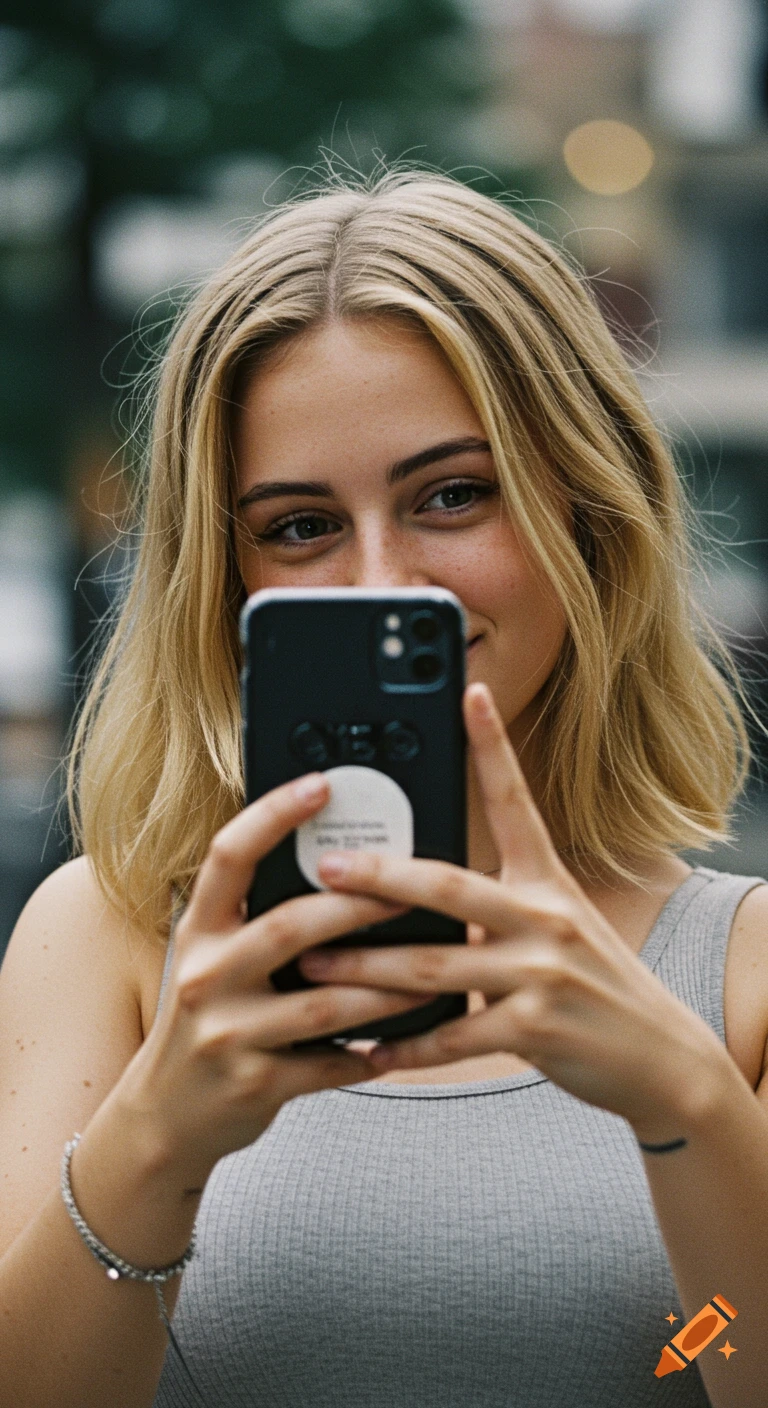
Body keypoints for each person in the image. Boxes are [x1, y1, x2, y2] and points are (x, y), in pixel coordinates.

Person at [1, 170, 767, 1408]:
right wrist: (159, 1139)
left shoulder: (743, 977)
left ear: (583, 503)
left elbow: (730, 1351)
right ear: (227, 578)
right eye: (301, 526)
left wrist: (683, 1099)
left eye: (453, 494)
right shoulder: (115, 938)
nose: (380, 577)